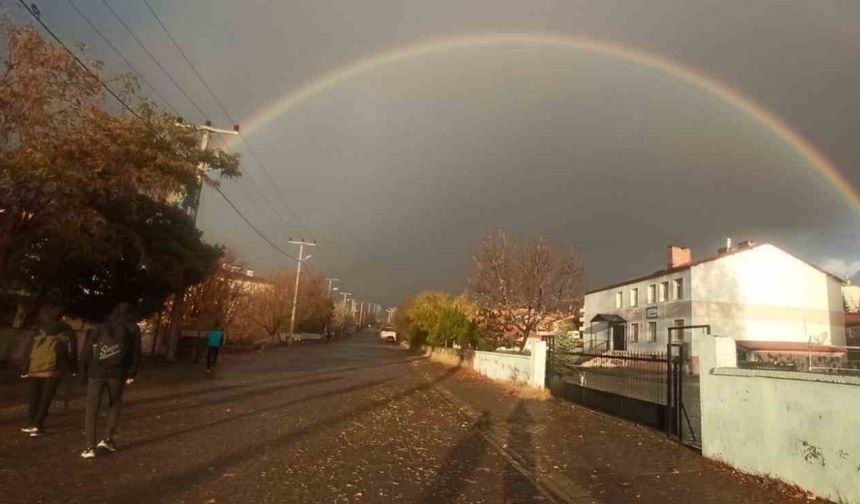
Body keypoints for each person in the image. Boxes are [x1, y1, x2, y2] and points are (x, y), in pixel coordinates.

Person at [79, 302, 141, 459]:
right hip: (118, 374)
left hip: (96, 372)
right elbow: (136, 353)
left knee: (92, 408)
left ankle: (89, 446)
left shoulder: (101, 327)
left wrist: (83, 372)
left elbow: (87, 351)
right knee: (115, 403)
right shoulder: (133, 329)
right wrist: (132, 373)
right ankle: (107, 438)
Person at [19, 296, 77, 437]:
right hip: (55, 369)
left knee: (34, 396)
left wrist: (25, 367)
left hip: (35, 367)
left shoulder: (40, 329)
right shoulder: (67, 330)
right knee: (46, 397)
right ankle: (38, 425)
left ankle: (28, 422)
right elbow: (72, 351)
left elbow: (29, 349)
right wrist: (73, 368)